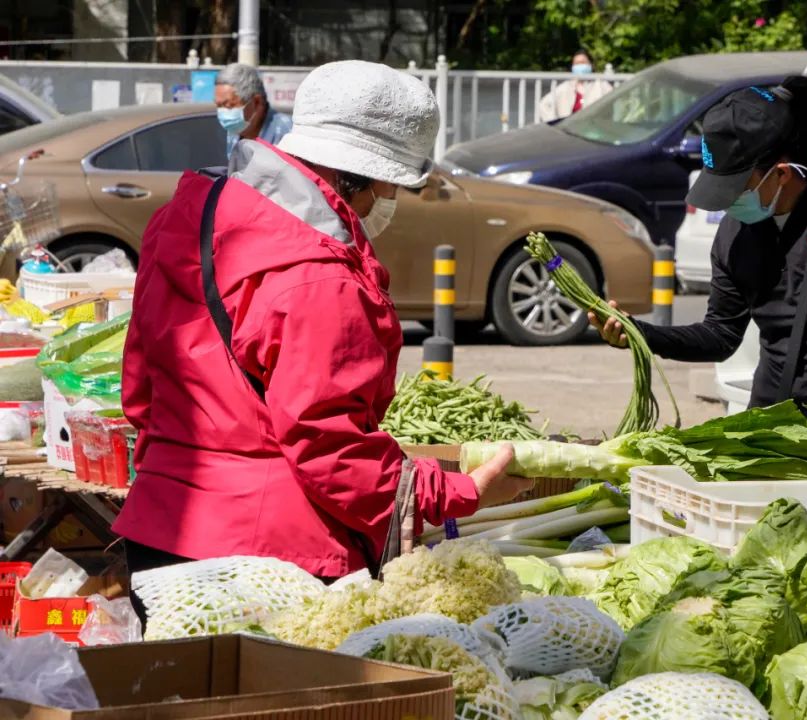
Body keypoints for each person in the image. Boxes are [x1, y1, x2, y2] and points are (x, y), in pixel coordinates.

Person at [115, 61, 531, 624]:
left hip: (159, 531)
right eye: (390, 186)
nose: (388, 199)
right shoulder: (321, 276)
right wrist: (458, 492)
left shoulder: (187, 217)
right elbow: (330, 448)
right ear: (353, 177)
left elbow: (139, 389)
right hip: (264, 563)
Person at [591, 77, 807, 478]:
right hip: (770, 430)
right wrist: (640, 335)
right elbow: (719, 335)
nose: (729, 205)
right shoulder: (735, 235)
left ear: (780, 173)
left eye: (735, 190)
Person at [214, 62, 293, 157]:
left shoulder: (288, 132)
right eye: (218, 105)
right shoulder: (233, 133)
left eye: (229, 105)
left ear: (257, 102)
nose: (223, 112)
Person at [537, 50, 614, 123]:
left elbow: (615, 102)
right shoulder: (566, 86)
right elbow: (544, 104)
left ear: (591, 65)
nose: (580, 66)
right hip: (569, 130)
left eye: (583, 62)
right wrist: (555, 122)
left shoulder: (601, 84)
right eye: (576, 64)